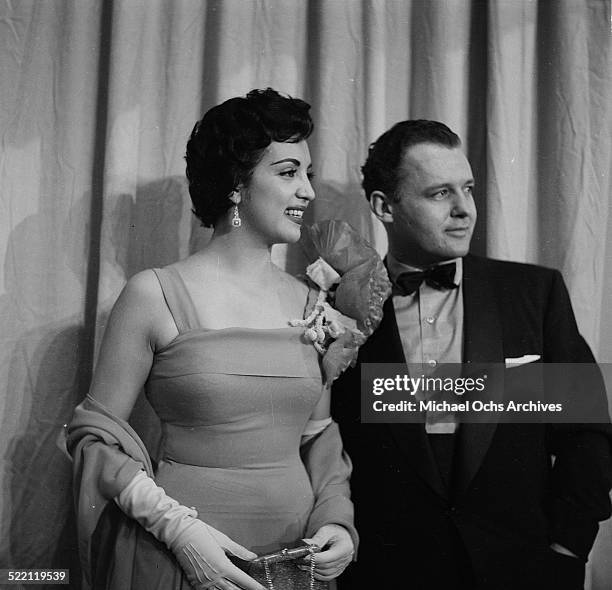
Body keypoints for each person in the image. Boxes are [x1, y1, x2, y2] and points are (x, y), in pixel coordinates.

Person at [66, 89, 371, 590]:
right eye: (288, 172)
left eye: (308, 175)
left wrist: (337, 519)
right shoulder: (153, 294)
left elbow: (317, 435)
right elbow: (94, 436)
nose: (308, 193)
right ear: (236, 184)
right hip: (180, 562)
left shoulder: (311, 304)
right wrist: (179, 531)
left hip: (299, 566)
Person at [331, 120, 612, 589]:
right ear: (384, 206)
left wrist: (567, 549)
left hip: (522, 572)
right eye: (440, 193)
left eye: (468, 189)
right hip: (387, 574)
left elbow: (588, 433)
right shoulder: (335, 306)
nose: (465, 210)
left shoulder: (534, 293)